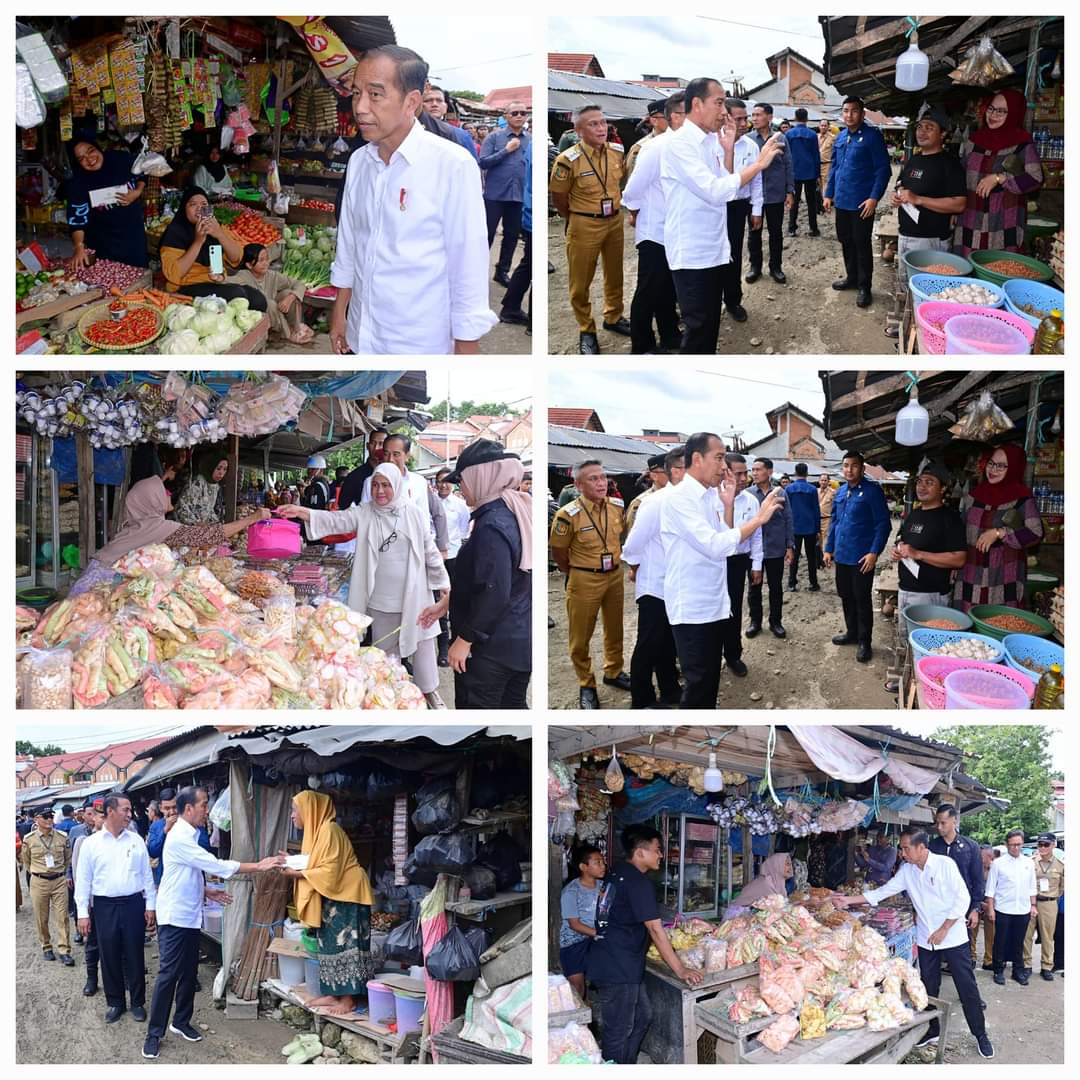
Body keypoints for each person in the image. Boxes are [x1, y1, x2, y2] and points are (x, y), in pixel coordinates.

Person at [330, 46, 496, 355]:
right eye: (356, 94)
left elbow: (468, 265)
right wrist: (340, 312)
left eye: (375, 94)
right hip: (361, 331)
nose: (361, 107)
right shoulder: (359, 162)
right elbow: (350, 243)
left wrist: (466, 343)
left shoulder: (452, 165)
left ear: (412, 102)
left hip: (417, 340)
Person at [276, 463, 450, 708]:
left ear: (397, 485)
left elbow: (430, 550)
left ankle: (430, 693)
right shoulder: (365, 512)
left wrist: (443, 583)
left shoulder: (413, 513)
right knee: (384, 655)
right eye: (376, 485)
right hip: (381, 598)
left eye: (386, 485)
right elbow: (337, 520)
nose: (380, 491)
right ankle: (389, 697)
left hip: (416, 595)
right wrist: (301, 511)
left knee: (423, 646)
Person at [143, 787, 280, 1059]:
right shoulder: (180, 837)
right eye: (204, 804)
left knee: (188, 971)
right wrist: (258, 866)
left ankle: (180, 1022)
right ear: (188, 809)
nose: (208, 809)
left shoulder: (191, 834)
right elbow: (213, 864)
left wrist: (206, 891)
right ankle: (153, 1033)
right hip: (174, 917)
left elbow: (184, 872)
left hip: (190, 914)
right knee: (169, 974)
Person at [833, 829, 994, 1058]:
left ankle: (980, 1034)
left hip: (953, 936)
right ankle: (933, 1030)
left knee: (966, 986)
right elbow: (883, 892)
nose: (903, 852)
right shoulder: (907, 871)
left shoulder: (944, 865)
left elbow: (962, 899)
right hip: (927, 938)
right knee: (927, 986)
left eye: (906, 848)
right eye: (901, 848)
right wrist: (848, 900)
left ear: (921, 847)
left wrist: (944, 929)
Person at [660, 78, 783, 354]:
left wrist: (727, 151)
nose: (723, 111)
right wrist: (759, 164)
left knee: (710, 325)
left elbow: (725, 184)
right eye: (718, 103)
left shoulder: (710, 142)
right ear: (696, 104)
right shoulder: (679, 144)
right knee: (698, 330)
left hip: (713, 249)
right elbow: (715, 191)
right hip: (692, 254)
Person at [660, 432, 782, 707]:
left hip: (713, 604)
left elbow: (725, 539)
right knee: (698, 685)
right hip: (692, 608)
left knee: (710, 680)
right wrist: (759, 519)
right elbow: (715, 545)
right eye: (718, 458)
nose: (723, 466)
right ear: (696, 459)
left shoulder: (709, 497)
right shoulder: (679, 499)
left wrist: (727, 505)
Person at [587, 826, 703, 1064]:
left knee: (642, 1016)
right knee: (619, 1030)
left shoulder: (618, 871)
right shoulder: (638, 882)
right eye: (657, 850)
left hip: (617, 961)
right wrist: (681, 970)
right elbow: (655, 929)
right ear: (640, 853)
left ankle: (626, 1063)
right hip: (618, 966)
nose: (661, 855)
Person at [68, 473, 269, 597]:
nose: (168, 494)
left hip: (93, 580)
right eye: (162, 492)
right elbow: (208, 536)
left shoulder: (141, 524)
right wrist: (252, 518)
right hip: (97, 587)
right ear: (151, 500)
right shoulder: (156, 526)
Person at [442, 440, 532, 709]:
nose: (461, 488)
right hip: (517, 641)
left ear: (480, 477)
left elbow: (495, 591)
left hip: (491, 650)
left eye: (462, 481)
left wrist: (465, 639)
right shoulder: (515, 511)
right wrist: (445, 604)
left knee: (479, 723)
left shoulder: (492, 525)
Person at [278, 791, 374, 1016]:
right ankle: (334, 993)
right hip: (335, 895)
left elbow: (330, 871)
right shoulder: (319, 833)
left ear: (310, 810)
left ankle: (348, 999)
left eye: (295, 810)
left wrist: (296, 874)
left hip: (349, 897)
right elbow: (316, 862)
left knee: (348, 947)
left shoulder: (330, 830)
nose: (293, 816)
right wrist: (291, 861)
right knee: (329, 945)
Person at [549, 459, 631, 709]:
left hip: (614, 575)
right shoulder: (567, 515)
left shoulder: (617, 506)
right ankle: (587, 683)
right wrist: (576, 573)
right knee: (580, 636)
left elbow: (623, 536)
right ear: (578, 484)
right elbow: (559, 552)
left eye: (603, 477)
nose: (601, 483)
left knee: (615, 628)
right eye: (593, 479)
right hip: (584, 577)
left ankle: (614, 671)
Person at [549, 105, 630, 354]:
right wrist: (574, 219)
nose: (601, 128)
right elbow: (559, 198)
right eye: (593, 124)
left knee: (614, 273)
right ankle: (587, 328)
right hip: (584, 223)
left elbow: (622, 181)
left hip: (614, 220)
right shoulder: (567, 160)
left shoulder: (617, 151)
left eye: (603, 123)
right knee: (580, 281)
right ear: (578, 130)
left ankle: (614, 316)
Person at [74, 794, 155, 1025]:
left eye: (130, 810)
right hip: (104, 906)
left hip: (133, 903)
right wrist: (82, 913)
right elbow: (83, 880)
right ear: (110, 811)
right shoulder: (92, 844)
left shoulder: (136, 840)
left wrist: (150, 905)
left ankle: (137, 1002)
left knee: (134, 953)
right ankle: (115, 1002)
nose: (130, 815)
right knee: (108, 954)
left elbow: (146, 875)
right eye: (125, 810)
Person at [888, 107, 967, 337]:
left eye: (930, 128)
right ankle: (905, 327)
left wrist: (919, 199)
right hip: (906, 234)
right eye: (920, 127)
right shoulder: (913, 160)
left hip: (931, 241)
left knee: (928, 291)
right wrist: (898, 195)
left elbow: (959, 204)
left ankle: (927, 334)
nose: (922, 132)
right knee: (905, 283)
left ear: (943, 134)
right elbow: (902, 185)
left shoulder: (950, 164)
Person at [621, 446, 685, 708]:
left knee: (668, 642)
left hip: (676, 584)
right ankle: (642, 699)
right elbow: (632, 545)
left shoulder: (687, 501)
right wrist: (637, 567)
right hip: (655, 586)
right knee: (648, 644)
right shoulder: (654, 502)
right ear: (676, 471)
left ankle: (670, 690)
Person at [622, 93, 685, 354]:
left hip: (674, 230)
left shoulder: (684, 146)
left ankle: (670, 335)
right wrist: (636, 212)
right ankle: (642, 345)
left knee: (668, 289)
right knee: (648, 290)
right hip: (654, 231)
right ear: (675, 116)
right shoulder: (655, 147)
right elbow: (632, 189)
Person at [953, 444, 1043, 612]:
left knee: (1000, 623)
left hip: (1004, 575)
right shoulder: (973, 497)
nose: (993, 469)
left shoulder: (1023, 498)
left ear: (1015, 467)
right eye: (992, 463)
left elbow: (1035, 533)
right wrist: (954, 561)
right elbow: (960, 531)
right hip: (971, 571)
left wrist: (1000, 533)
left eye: (1001, 466)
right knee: (968, 627)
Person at [954, 89, 1043, 256]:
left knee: (999, 268)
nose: (993, 115)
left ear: (1015, 113)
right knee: (968, 272)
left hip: (1003, 221)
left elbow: (1036, 179)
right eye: (991, 108)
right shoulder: (974, 141)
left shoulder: (1022, 143)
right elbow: (960, 175)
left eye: (1002, 111)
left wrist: (1000, 178)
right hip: (971, 216)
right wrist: (953, 207)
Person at [822, 97, 891, 308]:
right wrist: (828, 193)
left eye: (854, 111)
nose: (849, 115)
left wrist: (874, 198)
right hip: (842, 200)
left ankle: (864, 286)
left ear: (862, 114)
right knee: (845, 240)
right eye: (845, 111)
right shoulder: (840, 137)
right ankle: (851, 278)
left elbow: (883, 170)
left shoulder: (872, 137)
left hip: (862, 203)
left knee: (861, 243)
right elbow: (834, 168)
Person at [824, 450, 890, 663]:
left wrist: (874, 553)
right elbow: (834, 522)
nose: (849, 470)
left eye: (853, 466)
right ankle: (851, 632)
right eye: (845, 466)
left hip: (862, 558)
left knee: (861, 599)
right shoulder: (841, 492)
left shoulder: (872, 492)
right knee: (846, 595)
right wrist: (828, 548)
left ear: (862, 468)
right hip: (842, 556)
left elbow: (883, 525)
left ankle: (864, 641)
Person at [159, 187, 264, 308]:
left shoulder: (214, 226)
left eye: (204, 204)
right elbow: (174, 275)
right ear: (184, 209)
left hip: (215, 281)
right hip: (185, 287)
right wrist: (198, 241)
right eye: (193, 204)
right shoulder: (175, 232)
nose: (199, 208)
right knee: (237, 294)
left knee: (258, 299)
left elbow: (237, 259)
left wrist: (219, 234)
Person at [891, 463, 966, 610]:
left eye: (929, 482)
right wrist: (897, 549)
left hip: (931, 596)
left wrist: (918, 554)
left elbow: (959, 559)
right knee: (906, 634)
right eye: (919, 482)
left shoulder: (950, 518)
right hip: (905, 590)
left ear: (943, 488)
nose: (921, 487)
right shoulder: (914, 514)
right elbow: (904, 540)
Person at [66, 138, 149, 271]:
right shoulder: (78, 182)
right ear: (77, 163)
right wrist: (79, 246)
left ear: (98, 148)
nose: (89, 159)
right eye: (81, 158)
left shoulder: (120, 159)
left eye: (91, 151)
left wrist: (138, 191)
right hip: (103, 241)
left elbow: (143, 171)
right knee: (109, 279)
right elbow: (77, 219)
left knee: (138, 275)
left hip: (133, 235)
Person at [361, 435, 447, 552]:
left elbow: (423, 520)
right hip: (380, 549)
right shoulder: (370, 482)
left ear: (407, 456)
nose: (390, 459)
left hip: (412, 549)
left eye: (396, 454)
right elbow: (365, 519)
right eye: (386, 454)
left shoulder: (418, 482)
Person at [719, 99, 763, 324]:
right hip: (715, 208)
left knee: (734, 255)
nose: (745, 123)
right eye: (739, 119)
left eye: (746, 118)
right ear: (725, 118)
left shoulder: (750, 145)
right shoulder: (712, 143)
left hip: (738, 208)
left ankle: (733, 301)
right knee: (713, 256)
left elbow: (756, 181)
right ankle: (709, 301)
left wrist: (756, 209)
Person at [929, 804, 985, 976]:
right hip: (936, 907)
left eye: (943, 823)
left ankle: (968, 993)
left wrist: (975, 909)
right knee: (934, 951)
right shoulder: (932, 847)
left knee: (961, 955)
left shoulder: (971, 846)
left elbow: (977, 880)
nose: (939, 827)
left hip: (962, 907)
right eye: (937, 823)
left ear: (954, 820)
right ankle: (932, 990)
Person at [480, 102, 531, 288]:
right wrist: (506, 150)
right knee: (487, 234)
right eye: (515, 113)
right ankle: (476, 272)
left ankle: (502, 271)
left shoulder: (530, 140)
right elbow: (483, 162)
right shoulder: (494, 137)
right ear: (506, 116)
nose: (519, 116)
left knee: (511, 236)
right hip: (495, 195)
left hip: (518, 196)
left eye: (523, 113)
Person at [722, 452, 763, 677]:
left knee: (734, 610)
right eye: (738, 473)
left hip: (739, 562)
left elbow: (757, 535)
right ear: (725, 472)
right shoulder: (712, 498)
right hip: (715, 561)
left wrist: (756, 564)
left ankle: (733, 655)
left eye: (745, 473)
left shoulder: (750, 500)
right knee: (713, 610)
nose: (744, 477)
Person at [746, 103, 794, 286]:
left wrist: (790, 191)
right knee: (753, 233)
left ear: (769, 117)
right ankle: (755, 267)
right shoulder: (749, 139)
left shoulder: (780, 138)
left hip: (775, 194)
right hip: (754, 197)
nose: (754, 118)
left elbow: (788, 164)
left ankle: (776, 268)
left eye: (758, 115)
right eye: (753, 115)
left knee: (776, 233)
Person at [983, 829, 1037, 990]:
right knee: (1000, 940)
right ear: (1007, 844)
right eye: (1012, 845)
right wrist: (991, 909)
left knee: (1019, 942)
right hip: (1003, 909)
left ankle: (1017, 971)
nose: (1015, 848)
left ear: (1022, 844)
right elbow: (990, 889)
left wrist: (1033, 905)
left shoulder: (1028, 863)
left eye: (1018, 844)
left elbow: (1032, 887)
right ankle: (998, 970)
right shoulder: (998, 864)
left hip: (1023, 909)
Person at [746, 458, 793, 639]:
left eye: (758, 469)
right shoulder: (749, 494)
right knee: (753, 587)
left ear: (769, 472)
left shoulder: (780, 493)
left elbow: (788, 519)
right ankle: (755, 622)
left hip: (775, 548)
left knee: (776, 587)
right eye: (753, 470)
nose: (754, 473)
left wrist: (790, 546)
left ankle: (776, 622)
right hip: (754, 551)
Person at [230, 243, 314, 344]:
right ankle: (287, 334)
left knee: (289, 293)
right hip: (257, 317)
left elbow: (299, 284)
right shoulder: (243, 275)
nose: (266, 263)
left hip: (274, 316)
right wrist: (219, 278)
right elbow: (227, 281)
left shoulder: (271, 275)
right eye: (261, 260)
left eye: (267, 259)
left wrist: (291, 297)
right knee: (269, 303)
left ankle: (295, 328)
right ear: (249, 265)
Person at [22, 808, 74, 966]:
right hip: (39, 881)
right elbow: (27, 861)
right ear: (37, 819)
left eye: (51, 816)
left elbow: (67, 858)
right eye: (45, 817)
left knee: (62, 916)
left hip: (58, 880)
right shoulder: (29, 839)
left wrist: (60, 873)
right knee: (41, 917)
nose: (50, 819)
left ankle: (64, 950)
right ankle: (46, 946)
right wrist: (39, 873)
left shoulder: (62, 837)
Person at [434, 466, 472, 666]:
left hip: (454, 556)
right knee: (437, 603)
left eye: (448, 481)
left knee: (456, 601)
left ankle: (455, 642)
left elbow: (465, 529)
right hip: (433, 559)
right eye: (440, 481)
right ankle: (441, 647)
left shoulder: (459, 505)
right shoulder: (428, 504)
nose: (444, 485)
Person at [560, 844, 606, 1000]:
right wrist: (598, 933)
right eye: (597, 862)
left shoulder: (603, 887)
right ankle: (576, 1021)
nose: (603, 866)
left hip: (595, 940)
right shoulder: (571, 892)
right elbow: (574, 924)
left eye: (603, 861)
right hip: (574, 942)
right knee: (577, 987)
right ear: (583, 867)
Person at [499, 136, 533, 330]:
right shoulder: (534, 146)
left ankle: (510, 307)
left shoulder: (530, 143)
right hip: (529, 212)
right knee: (531, 264)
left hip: (526, 208)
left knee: (528, 264)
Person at [1022, 833, 1063, 982]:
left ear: (1053, 845)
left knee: (1047, 936)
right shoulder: (1029, 862)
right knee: (1027, 935)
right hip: (1030, 902)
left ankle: (1046, 967)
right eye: (1040, 844)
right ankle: (1026, 965)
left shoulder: (1060, 864)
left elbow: (1062, 888)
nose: (1042, 847)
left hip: (1049, 903)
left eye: (1046, 845)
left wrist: (1051, 898)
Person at [785, 108, 821, 237]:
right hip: (810, 172)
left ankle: (792, 228)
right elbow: (816, 155)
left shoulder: (788, 134)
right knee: (811, 201)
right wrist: (818, 175)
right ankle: (813, 228)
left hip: (794, 172)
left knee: (793, 201)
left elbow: (786, 156)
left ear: (795, 118)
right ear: (807, 119)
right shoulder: (812, 134)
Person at [786, 463, 821, 592]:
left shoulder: (789, 489)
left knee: (793, 556)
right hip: (810, 527)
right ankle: (813, 583)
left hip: (794, 528)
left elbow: (786, 510)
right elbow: (816, 510)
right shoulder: (812, 489)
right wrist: (818, 529)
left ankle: (792, 583)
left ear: (795, 473)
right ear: (807, 473)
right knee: (811, 556)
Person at [421, 85, 478, 161]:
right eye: (428, 100)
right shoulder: (409, 132)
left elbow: (472, 166)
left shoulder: (461, 135)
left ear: (445, 107)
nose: (434, 104)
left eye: (439, 100)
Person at [337, 428, 387, 512]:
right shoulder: (354, 477)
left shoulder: (393, 474)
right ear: (367, 446)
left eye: (381, 444)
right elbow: (343, 507)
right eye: (373, 443)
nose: (376, 448)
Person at [174, 450, 228, 527]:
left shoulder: (215, 486)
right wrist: (196, 523)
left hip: (201, 530)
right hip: (186, 529)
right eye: (218, 468)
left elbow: (208, 509)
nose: (221, 473)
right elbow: (181, 508)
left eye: (225, 469)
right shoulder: (197, 482)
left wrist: (216, 524)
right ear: (210, 466)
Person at [623, 99, 668, 182]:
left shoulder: (681, 142)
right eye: (667, 117)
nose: (673, 120)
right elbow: (632, 180)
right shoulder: (640, 147)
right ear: (654, 121)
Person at [624, 454, 668, 537]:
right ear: (654, 476)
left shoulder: (680, 498)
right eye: (667, 472)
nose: (673, 475)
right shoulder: (641, 502)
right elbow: (632, 534)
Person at [976, 845, 998, 969]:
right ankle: (971, 958)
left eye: (981, 856)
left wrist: (990, 905)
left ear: (989, 856)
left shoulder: (997, 869)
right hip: (977, 904)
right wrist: (979, 903)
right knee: (971, 932)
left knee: (991, 934)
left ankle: (988, 960)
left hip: (991, 905)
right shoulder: (976, 868)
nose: (979, 858)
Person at [817, 119, 836, 213]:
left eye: (825, 125)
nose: (823, 127)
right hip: (817, 164)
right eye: (822, 125)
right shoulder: (816, 137)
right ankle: (823, 202)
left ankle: (826, 204)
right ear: (819, 126)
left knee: (826, 184)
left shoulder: (833, 138)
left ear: (828, 127)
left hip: (828, 164)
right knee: (819, 184)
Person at [818, 472, 835, 568]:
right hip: (817, 519)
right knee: (818, 540)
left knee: (826, 540)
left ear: (828, 481)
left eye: (825, 480)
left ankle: (827, 559)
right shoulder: (815, 491)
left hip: (828, 519)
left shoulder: (833, 492)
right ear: (819, 481)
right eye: (822, 480)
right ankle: (820, 559)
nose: (823, 482)